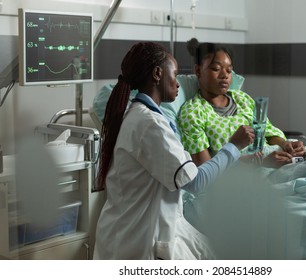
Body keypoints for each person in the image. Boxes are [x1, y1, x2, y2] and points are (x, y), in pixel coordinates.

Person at [93, 42, 255, 260]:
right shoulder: (150, 125)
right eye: (175, 74)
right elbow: (195, 183)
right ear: (158, 73)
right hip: (138, 242)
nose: (178, 84)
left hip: (132, 231)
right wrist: (234, 146)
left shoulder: (143, 116)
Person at [178, 38, 306, 167]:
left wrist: (286, 145)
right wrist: (260, 163)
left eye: (229, 70)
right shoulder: (193, 112)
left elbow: (267, 132)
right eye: (216, 69)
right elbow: (205, 170)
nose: (224, 75)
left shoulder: (242, 99)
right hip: (247, 177)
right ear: (198, 71)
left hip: (280, 161)